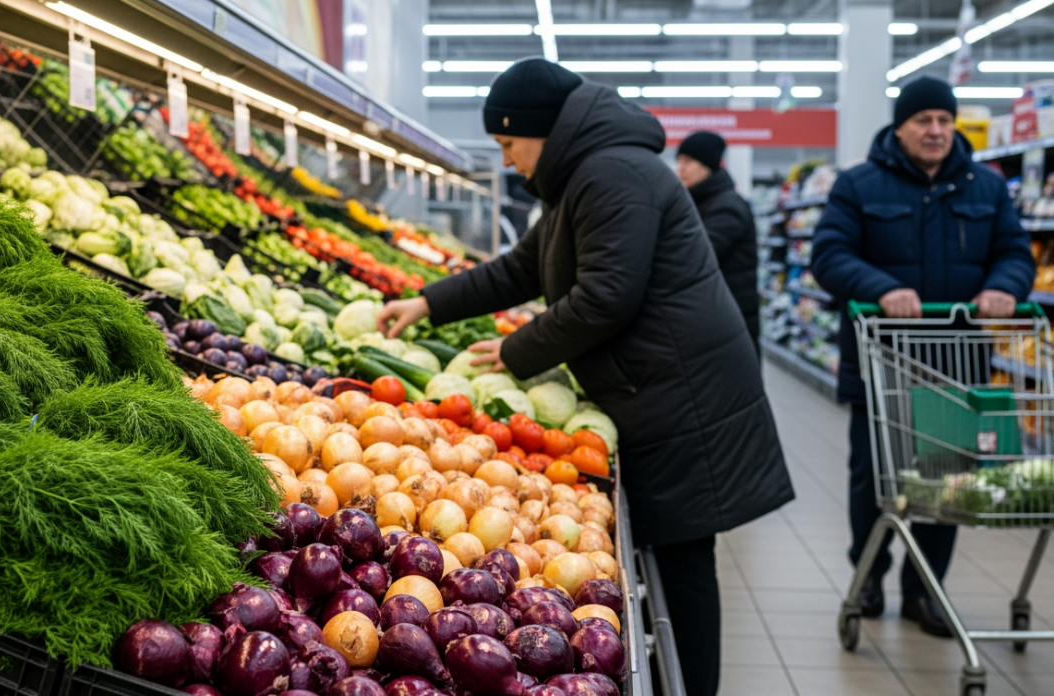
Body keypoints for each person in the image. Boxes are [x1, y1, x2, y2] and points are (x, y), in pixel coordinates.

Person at [377, 58, 794, 696]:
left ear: (539, 130)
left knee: (684, 565)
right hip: (658, 387)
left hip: (684, 397)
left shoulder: (611, 172)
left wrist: (517, 352)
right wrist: (430, 301)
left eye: (508, 144)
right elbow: (524, 267)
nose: (510, 160)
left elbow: (607, 296)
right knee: (677, 561)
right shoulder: (589, 173)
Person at [811, 76, 1034, 636]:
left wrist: (1006, 284)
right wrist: (880, 287)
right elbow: (829, 255)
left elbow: (1014, 252)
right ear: (901, 126)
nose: (935, 130)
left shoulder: (986, 185)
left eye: (944, 120)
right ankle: (867, 576)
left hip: (957, 366)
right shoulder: (859, 184)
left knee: (947, 479)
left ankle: (925, 590)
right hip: (880, 364)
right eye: (923, 121)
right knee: (875, 478)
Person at [677, 131, 760, 355]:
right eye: (679, 161)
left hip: (731, 318)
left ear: (708, 165)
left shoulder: (727, 206)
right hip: (716, 316)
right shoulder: (702, 202)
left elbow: (699, 254)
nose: (680, 168)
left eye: (688, 161)